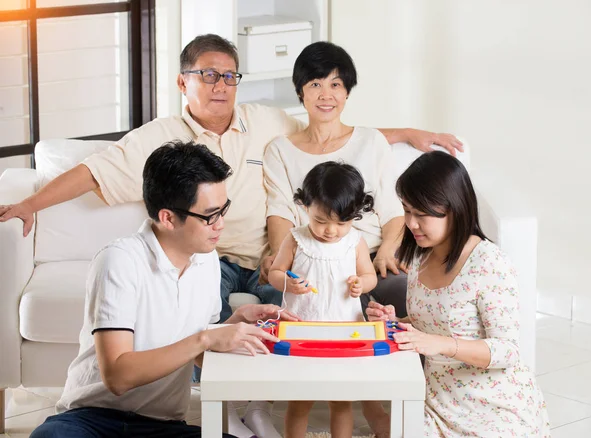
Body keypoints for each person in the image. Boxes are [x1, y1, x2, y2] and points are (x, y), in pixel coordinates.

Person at [0, 34, 461, 438]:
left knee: (285, 313)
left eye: (230, 76)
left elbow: (330, 130)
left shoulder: (264, 122)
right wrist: (28, 205)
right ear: (183, 82)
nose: (221, 86)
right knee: (228, 317)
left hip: (249, 260)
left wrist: (410, 134)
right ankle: (240, 409)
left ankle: (262, 406)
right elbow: (92, 169)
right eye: (208, 75)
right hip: (213, 261)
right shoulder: (159, 146)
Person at [30, 141, 298, 438]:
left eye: (224, 210)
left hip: (163, 427)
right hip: (92, 420)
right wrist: (206, 338)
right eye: (210, 215)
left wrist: (235, 327)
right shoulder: (119, 260)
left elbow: (198, 353)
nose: (221, 224)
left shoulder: (207, 260)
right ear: (168, 217)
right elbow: (118, 376)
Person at [263, 40, 406, 436]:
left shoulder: (371, 141)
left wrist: (384, 255)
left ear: (347, 91)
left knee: (387, 298)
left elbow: (393, 211)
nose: (327, 94)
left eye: (337, 85)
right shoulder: (280, 150)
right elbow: (279, 212)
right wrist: (284, 261)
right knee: (298, 308)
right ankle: (371, 411)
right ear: (300, 91)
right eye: (315, 84)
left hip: (368, 256)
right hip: (307, 259)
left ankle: (379, 407)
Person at [367, 151, 550, 437]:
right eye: (407, 210)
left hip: (493, 405)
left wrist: (439, 344)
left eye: (421, 214)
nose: (411, 223)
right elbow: (430, 324)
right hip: (439, 402)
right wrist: (396, 321)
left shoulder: (488, 263)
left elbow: (508, 351)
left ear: (454, 208)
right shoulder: (420, 257)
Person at [269, 162, 377, 438]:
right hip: (302, 329)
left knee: (341, 401)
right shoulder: (296, 239)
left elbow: (370, 276)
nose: (331, 231)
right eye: (320, 221)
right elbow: (275, 273)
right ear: (305, 206)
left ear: (355, 215)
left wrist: (360, 283)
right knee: (300, 399)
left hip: (344, 331)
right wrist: (288, 283)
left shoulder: (355, 242)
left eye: (341, 223)